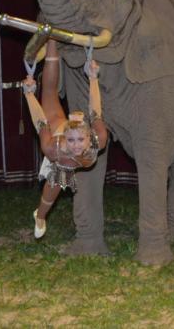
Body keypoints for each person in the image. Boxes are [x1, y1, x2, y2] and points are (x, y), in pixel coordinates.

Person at [21, 40, 109, 239]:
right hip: (55, 132)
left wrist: (93, 78)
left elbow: (95, 112)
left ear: (89, 137)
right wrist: (29, 95)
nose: (76, 145)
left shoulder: (99, 140)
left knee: (52, 94)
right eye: (72, 141)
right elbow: (40, 122)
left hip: (69, 132)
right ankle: (40, 216)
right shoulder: (55, 149)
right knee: (52, 189)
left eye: (80, 140)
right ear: (64, 140)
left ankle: (53, 40)